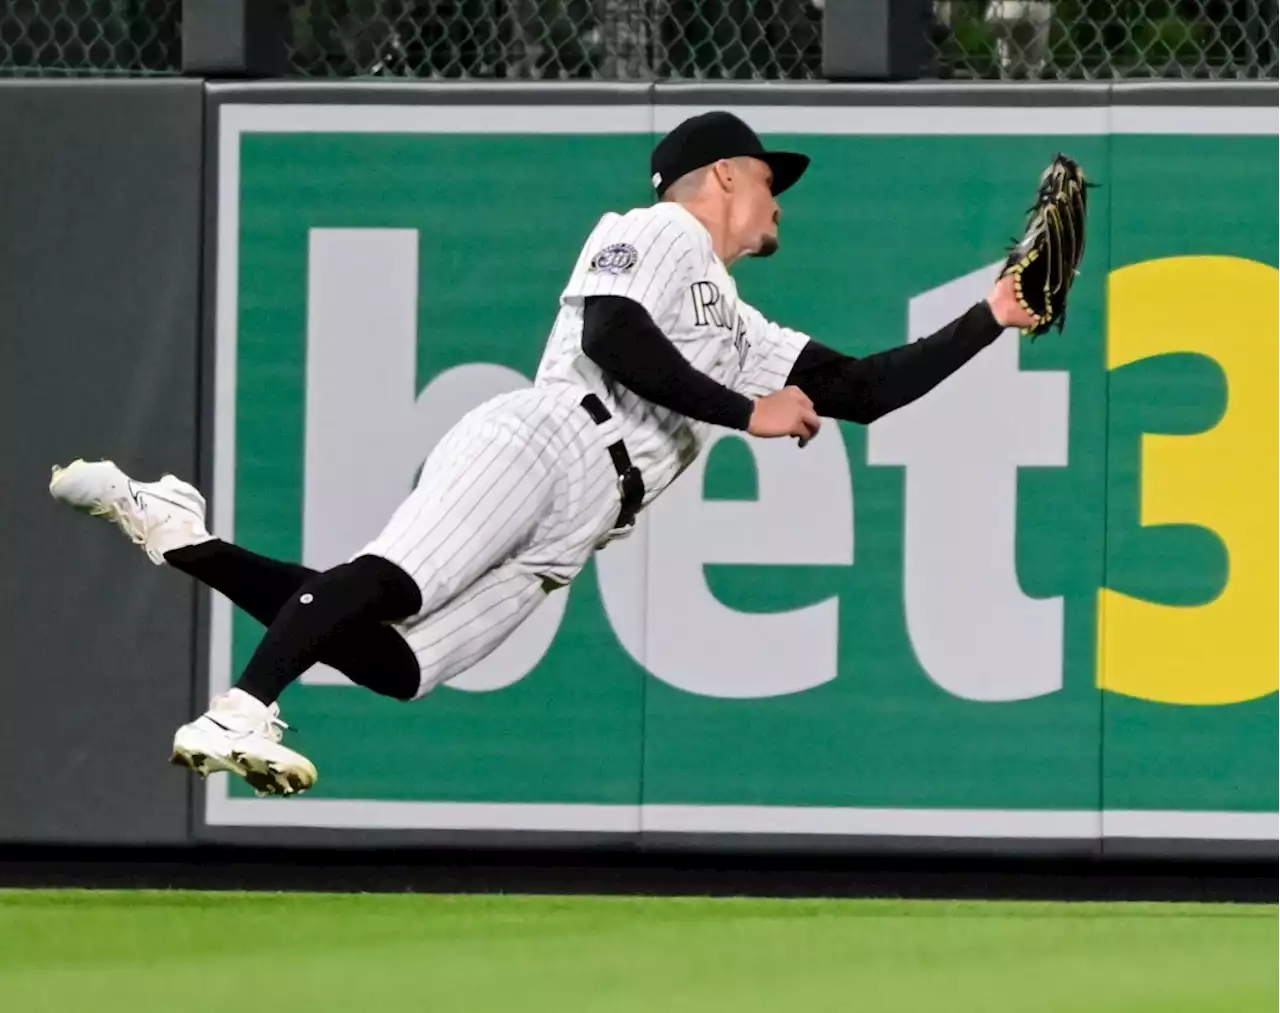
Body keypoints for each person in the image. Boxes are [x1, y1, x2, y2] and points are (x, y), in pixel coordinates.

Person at [49, 110, 1038, 797]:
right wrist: (746, 413)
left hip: (575, 531)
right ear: (724, 177)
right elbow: (612, 336)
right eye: (770, 180)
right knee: (388, 578)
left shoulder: (740, 322)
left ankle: (174, 531)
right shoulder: (656, 231)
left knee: (393, 662)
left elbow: (863, 389)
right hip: (551, 435)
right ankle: (238, 709)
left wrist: (990, 314)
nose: (779, 201)